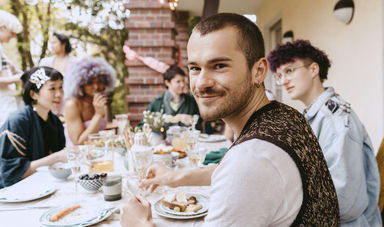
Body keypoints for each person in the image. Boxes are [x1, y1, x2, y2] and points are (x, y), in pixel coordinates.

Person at [120, 13, 339, 226]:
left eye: (219, 66)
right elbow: (233, 173)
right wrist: (175, 177)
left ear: (259, 71)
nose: (201, 83)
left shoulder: (250, 160)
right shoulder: (283, 114)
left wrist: (139, 224)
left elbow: (244, 172)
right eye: (195, 68)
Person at [267, 39, 381, 226]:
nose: (284, 81)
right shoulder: (314, 116)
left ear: (313, 69)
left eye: (289, 70)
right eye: (279, 75)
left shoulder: (334, 120)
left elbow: (343, 202)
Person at [0, 67, 66, 188]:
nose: (59, 94)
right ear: (33, 94)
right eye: (52, 88)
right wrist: (56, 158)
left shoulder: (55, 121)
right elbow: (9, 173)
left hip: (44, 187)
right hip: (13, 194)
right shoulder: (18, 121)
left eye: (61, 87)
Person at [63, 58, 116, 145]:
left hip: (97, 152)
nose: (96, 87)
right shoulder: (72, 104)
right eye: (90, 82)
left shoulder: (97, 101)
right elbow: (78, 142)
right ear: (80, 84)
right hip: (78, 155)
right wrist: (98, 115)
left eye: (99, 81)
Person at [138, 65, 202, 131]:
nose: (182, 84)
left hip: (184, 140)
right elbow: (142, 126)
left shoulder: (191, 101)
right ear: (167, 83)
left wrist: (192, 122)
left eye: (183, 81)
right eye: (178, 81)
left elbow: (198, 127)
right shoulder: (157, 103)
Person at [0, 10, 23, 126]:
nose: (13, 36)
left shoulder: (2, 50)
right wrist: (16, 78)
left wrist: (13, 70)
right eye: (12, 32)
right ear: (2, 28)